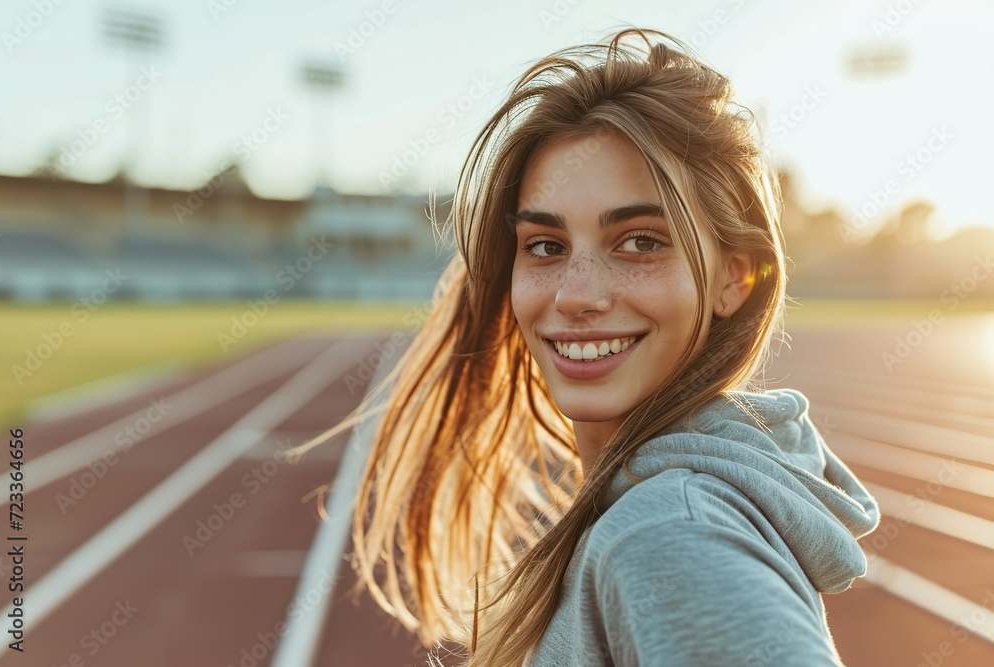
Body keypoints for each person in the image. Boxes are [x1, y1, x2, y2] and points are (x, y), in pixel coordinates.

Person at [294, 26, 881, 666]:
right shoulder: (657, 509)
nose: (576, 295)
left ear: (732, 277)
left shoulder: (667, 533)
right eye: (545, 246)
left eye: (640, 242)